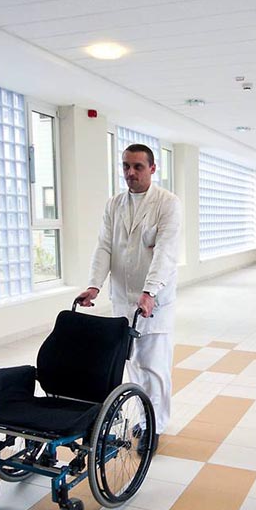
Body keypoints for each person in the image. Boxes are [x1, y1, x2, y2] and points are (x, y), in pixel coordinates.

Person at [76, 143, 181, 437]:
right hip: (123, 299)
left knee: (154, 366)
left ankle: (154, 426)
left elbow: (165, 252)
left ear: (152, 169)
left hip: (155, 301)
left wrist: (150, 292)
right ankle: (144, 417)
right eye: (125, 166)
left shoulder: (167, 203)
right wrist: (94, 285)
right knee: (134, 363)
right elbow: (104, 246)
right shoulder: (114, 204)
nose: (130, 172)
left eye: (137, 166)